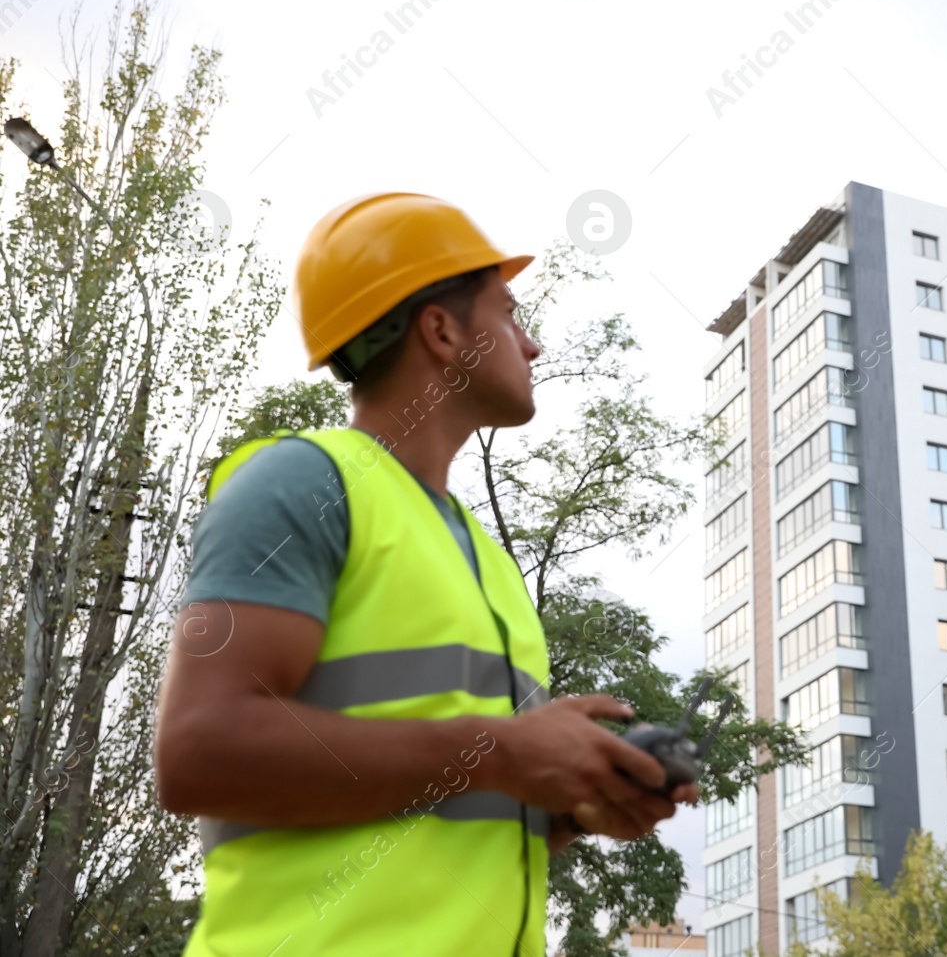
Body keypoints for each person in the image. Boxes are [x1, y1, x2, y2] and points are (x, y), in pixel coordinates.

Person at [156, 193, 691, 956]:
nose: (532, 344)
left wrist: (575, 803)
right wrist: (504, 751)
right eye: (509, 313)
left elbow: (440, 810)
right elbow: (199, 752)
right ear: (443, 331)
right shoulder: (302, 487)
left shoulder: (488, 563)